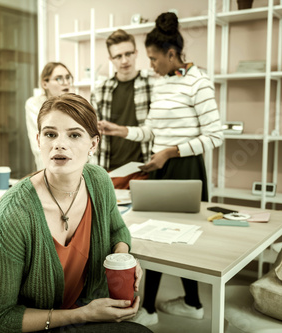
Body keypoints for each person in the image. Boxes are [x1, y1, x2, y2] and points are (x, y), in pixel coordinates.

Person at [0, 93, 151, 333]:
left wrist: (123, 259)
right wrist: (84, 314)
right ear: (39, 140)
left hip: (79, 311)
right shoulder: (15, 212)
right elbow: (0, 319)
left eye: (74, 135)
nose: (60, 144)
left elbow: (117, 231)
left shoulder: (99, 181)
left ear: (93, 144)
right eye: (50, 134)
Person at [99, 12, 224, 324]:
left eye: (154, 59)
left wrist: (170, 152)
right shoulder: (162, 83)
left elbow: (215, 135)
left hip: (184, 168)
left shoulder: (199, 82)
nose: (150, 65)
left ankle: (155, 308)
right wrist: (119, 130)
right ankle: (170, 305)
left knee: (184, 237)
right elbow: (150, 131)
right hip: (159, 167)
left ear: (171, 54)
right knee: (150, 237)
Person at [90, 29, 157, 189]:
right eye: (118, 56)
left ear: (136, 53)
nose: (124, 60)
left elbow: (158, 128)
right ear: (110, 59)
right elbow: (92, 133)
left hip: (144, 169)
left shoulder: (153, 85)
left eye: (128, 54)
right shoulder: (100, 90)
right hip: (109, 170)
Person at [26, 62, 73, 171]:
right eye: (59, 78)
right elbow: (40, 145)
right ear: (45, 84)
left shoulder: (75, 105)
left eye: (68, 77)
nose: (65, 83)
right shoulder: (34, 104)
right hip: (47, 168)